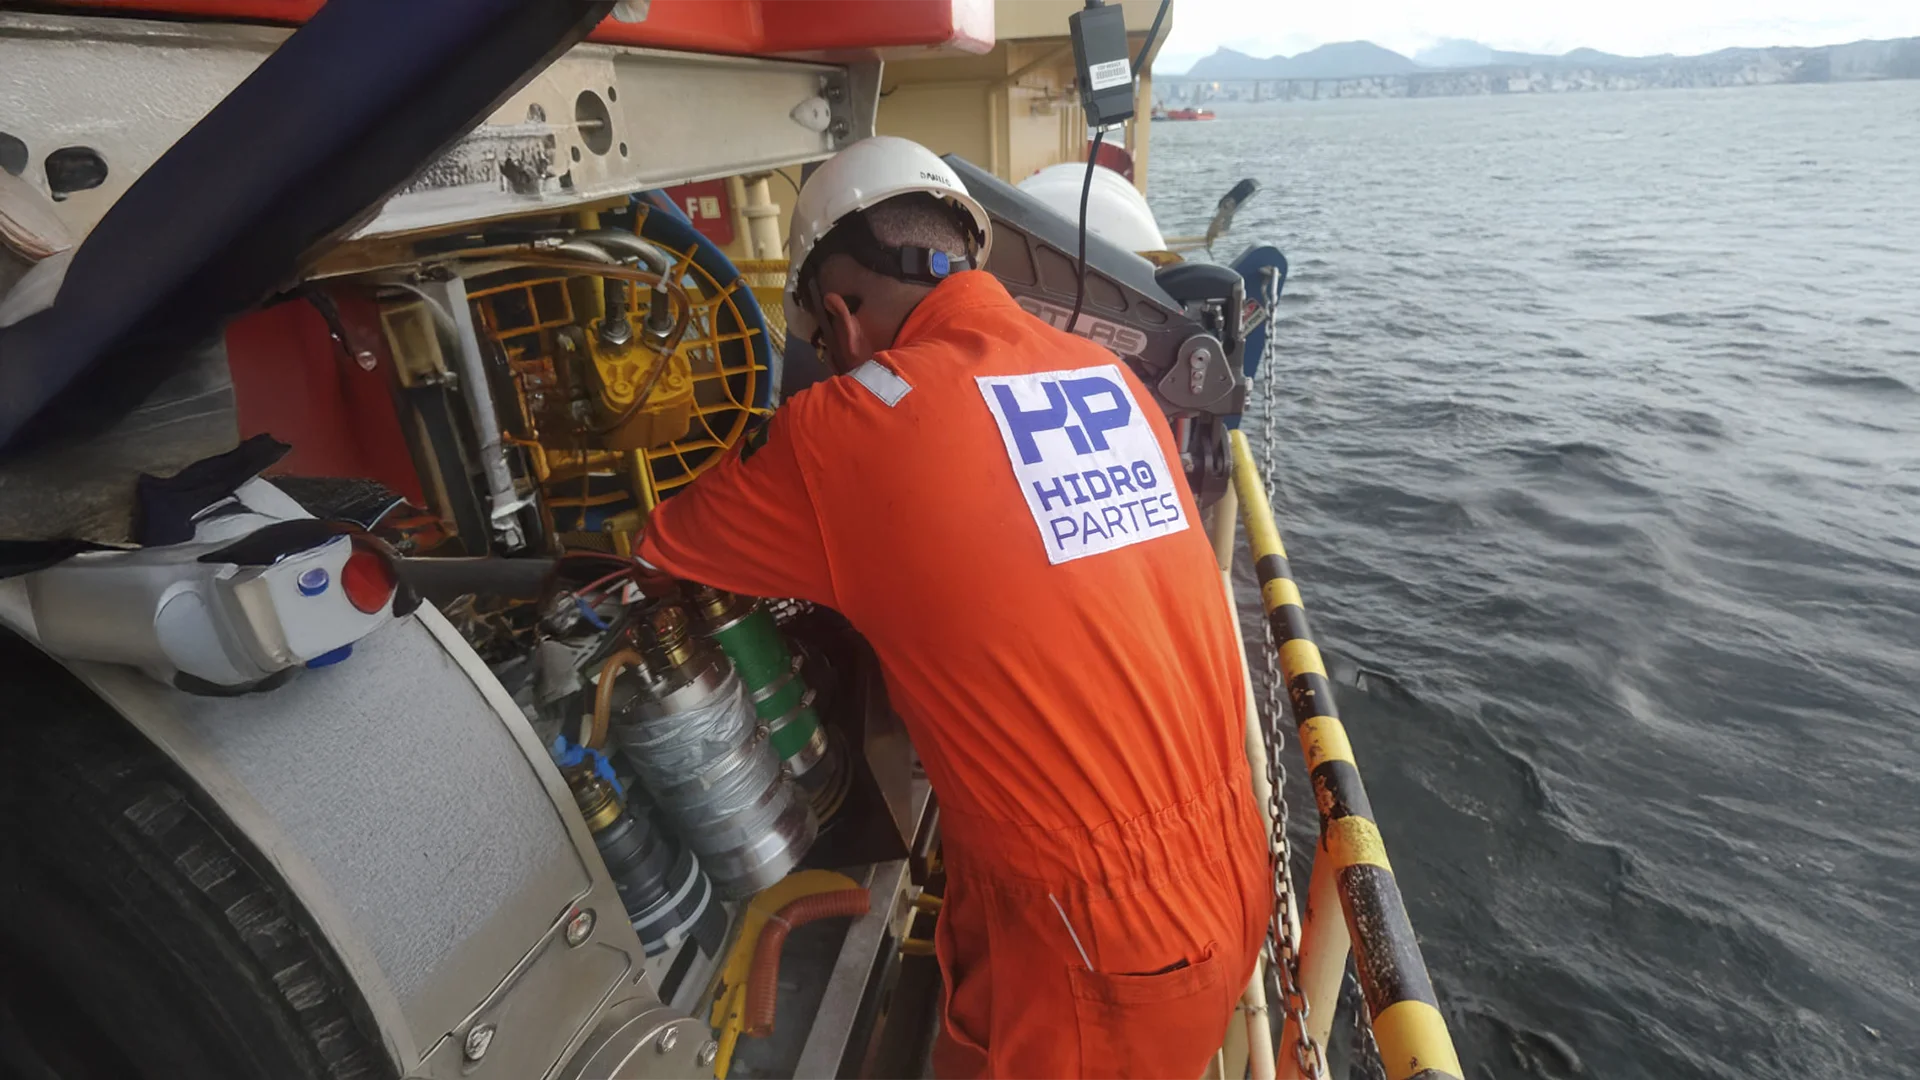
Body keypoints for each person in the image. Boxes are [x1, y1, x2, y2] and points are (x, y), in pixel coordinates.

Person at [636, 136, 1269, 1079]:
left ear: (839, 315)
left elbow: (659, 546)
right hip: (1229, 859)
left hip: (1095, 944)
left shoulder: (847, 427)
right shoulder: (1109, 377)